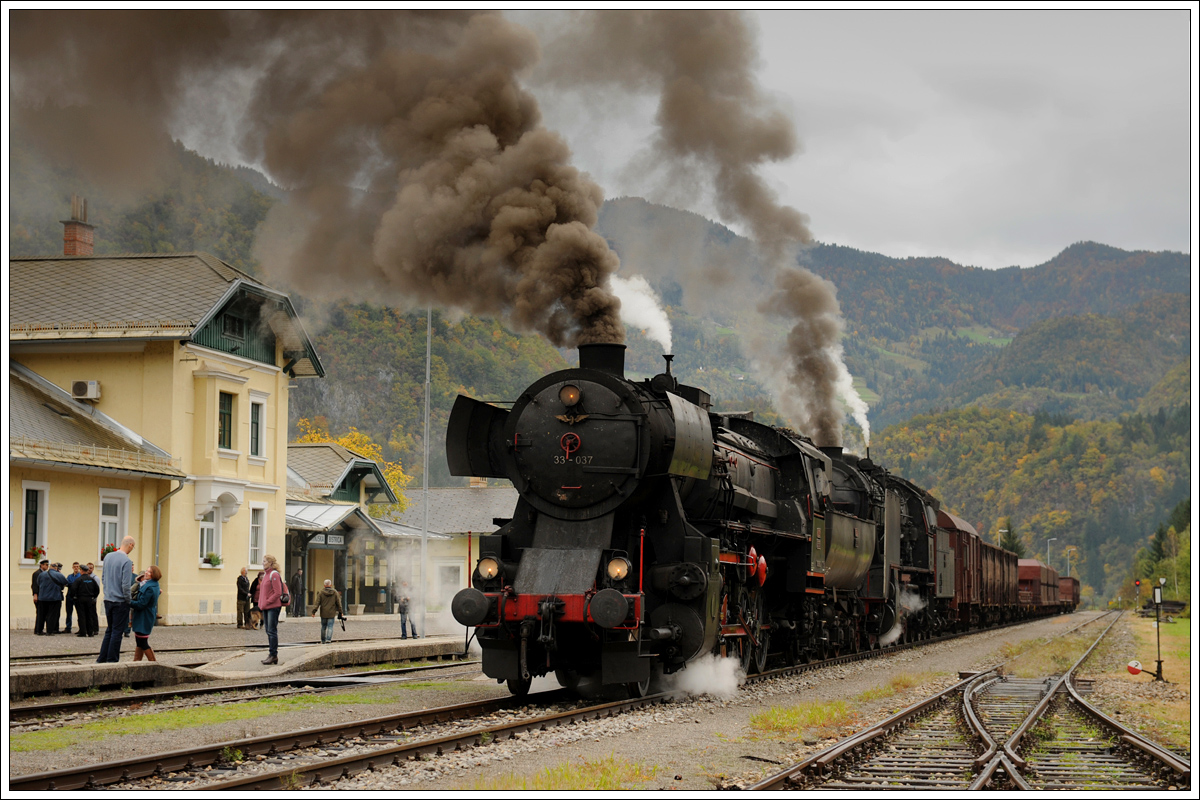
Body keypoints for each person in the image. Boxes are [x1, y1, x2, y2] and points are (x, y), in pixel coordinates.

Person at [97, 536, 136, 663]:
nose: (132, 549)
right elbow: (126, 585)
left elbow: (103, 578)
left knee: (110, 629)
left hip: (108, 599)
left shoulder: (108, 556)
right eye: (133, 547)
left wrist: (108, 592)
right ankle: (112, 660)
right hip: (120, 601)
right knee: (117, 632)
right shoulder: (127, 561)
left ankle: (102, 658)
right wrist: (128, 600)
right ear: (130, 545)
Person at [257, 555, 286, 665]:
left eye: (264, 561)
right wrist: (261, 604)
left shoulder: (274, 575)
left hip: (273, 607)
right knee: (268, 631)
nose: (263, 563)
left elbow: (277, 592)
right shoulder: (266, 575)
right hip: (266, 607)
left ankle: (273, 655)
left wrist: (267, 602)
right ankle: (271, 654)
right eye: (263, 561)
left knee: (272, 631)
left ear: (270, 562)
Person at [130, 566, 162, 661]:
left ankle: (153, 664)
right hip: (143, 616)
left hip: (144, 617)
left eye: (149, 572)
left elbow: (141, 604)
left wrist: (128, 602)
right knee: (139, 642)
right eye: (147, 571)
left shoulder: (149, 587)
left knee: (143, 642)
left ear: (154, 574)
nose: (146, 573)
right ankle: (136, 663)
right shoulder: (152, 585)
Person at [36, 562, 69, 635]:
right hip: (54, 597)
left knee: (41, 615)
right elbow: (66, 582)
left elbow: (38, 583)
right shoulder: (58, 574)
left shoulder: (41, 574)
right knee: (52, 615)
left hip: (42, 597)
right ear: (56, 568)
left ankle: (39, 630)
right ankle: (50, 631)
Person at [73, 564, 101, 637]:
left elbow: (73, 589)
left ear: (81, 571)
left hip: (80, 599)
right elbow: (97, 590)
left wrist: (74, 597)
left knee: (81, 615)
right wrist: (94, 597)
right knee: (89, 615)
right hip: (89, 599)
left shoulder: (78, 579)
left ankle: (83, 632)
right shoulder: (92, 579)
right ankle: (90, 632)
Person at [311, 579, 344, 644]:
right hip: (331, 613)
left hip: (323, 613)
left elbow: (317, 603)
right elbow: (338, 603)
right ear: (331, 585)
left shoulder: (321, 592)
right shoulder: (335, 592)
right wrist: (341, 611)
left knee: (323, 627)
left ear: (324, 585)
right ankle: (328, 639)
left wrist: (313, 612)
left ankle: (323, 640)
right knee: (330, 626)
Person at [32, 559, 49, 633]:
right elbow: (35, 585)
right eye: (46, 565)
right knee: (40, 613)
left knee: (42, 613)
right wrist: (35, 594)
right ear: (41, 565)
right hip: (39, 595)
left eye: (48, 565)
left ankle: (39, 629)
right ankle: (38, 629)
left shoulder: (44, 573)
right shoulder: (37, 573)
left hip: (43, 596)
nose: (47, 566)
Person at [64, 562, 81, 634]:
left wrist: (72, 584)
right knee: (68, 612)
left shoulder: (80, 576)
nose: (76, 568)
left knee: (79, 613)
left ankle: (81, 627)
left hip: (77, 596)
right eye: (74, 567)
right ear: (72, 567)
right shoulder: (69, 576)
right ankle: (68, 627)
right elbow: (67, 583)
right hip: (69, 596)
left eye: (77, 566)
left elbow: (76, 584)